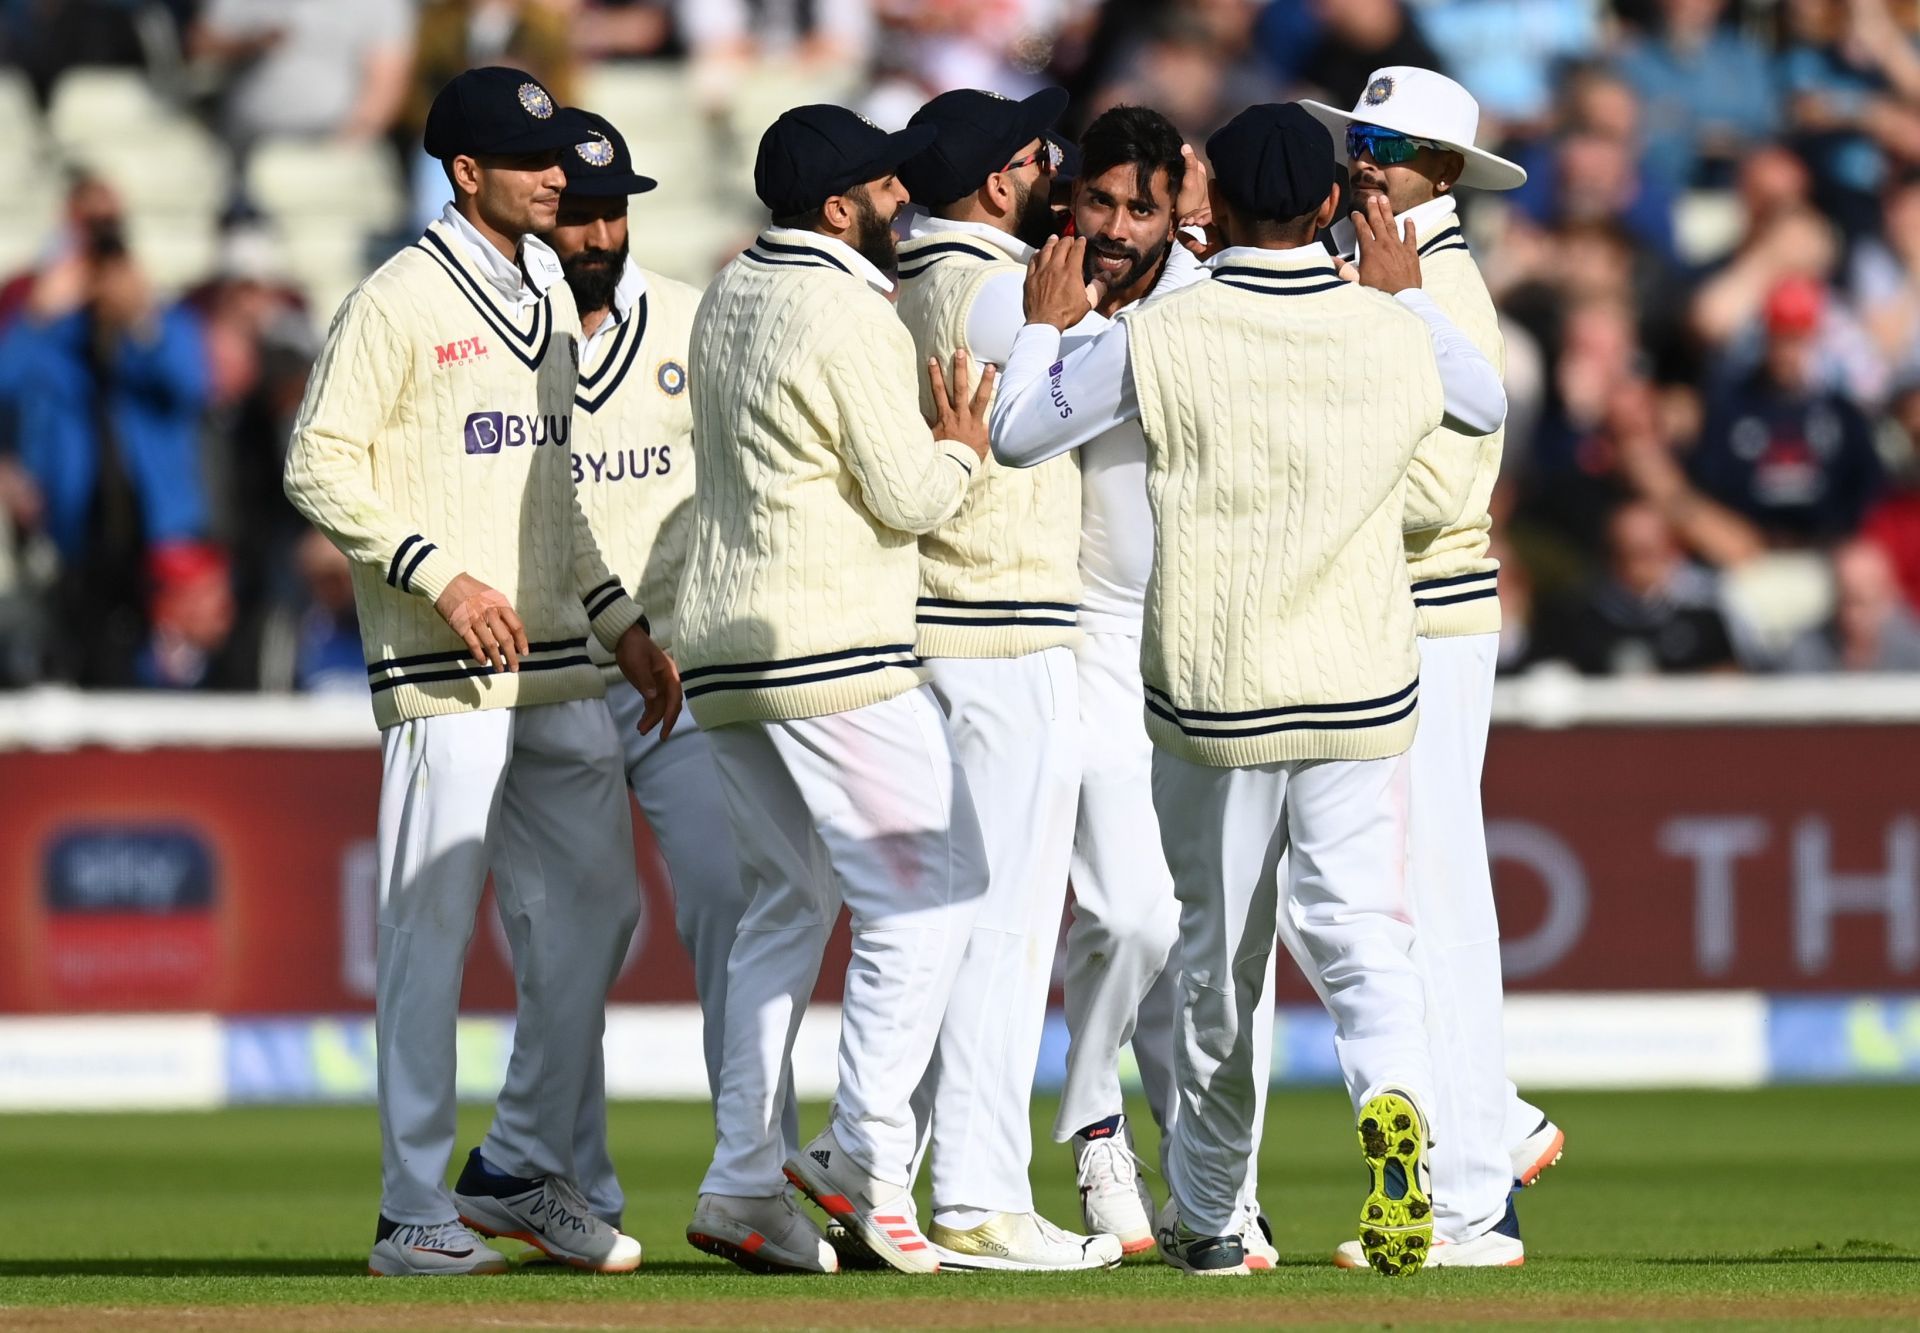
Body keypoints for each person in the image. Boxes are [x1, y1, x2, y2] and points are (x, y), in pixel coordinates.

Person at [993, 102, 1508, 1276]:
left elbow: (1020, 433)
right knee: (1368, 939)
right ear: (1331, 206)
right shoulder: (1385, 329)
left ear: (1209, 200)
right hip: (1363, 685)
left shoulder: (1166, 331)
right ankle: (1402, 1130)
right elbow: (1487, 403)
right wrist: (1408, 298)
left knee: (1221, 960)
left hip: (1218, 693)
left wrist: (1044, 329)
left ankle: (1215, 1210)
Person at [282, 67, 681, 1278]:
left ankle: (515, 1161)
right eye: (530, 156)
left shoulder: (551, 295)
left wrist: (617, 619)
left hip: (563, 664)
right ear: (466, 173)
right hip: (442, 663)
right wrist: (440, 576)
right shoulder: (397, 300)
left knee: (602, 917)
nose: (559, 172)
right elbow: (316, 462)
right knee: (428, 929)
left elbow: (553, 491)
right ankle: (412, 1210)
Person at [958, 104, 1280, 1267]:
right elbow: (1011, 430)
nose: (1113, 227)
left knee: (1209, 931)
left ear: (1177, 210)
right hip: (1089, 636)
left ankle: (1207, 1168)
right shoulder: (1024, 299)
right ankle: (1096, 1120)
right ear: (1067, 196)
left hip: (1205, 638)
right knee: (1132, 913)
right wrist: (1054, 329)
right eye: (1098, 200)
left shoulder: (1201, 302)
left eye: (1141, 207)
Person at [676, 103, 995, 1276]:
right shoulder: (851, 307)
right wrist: (963, 440)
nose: (902, 203)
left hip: (723, 647)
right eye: (884, 190)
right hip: (826, 646)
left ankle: (741, 1180)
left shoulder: (728, 290)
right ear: (839, 207)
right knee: (930, 892)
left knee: (786, 906)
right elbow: (910, 496)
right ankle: (863, 1158)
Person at [540, 107, 800, 1258]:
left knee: (735, 910)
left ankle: (762, 1176)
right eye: (577, 211)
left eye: (613, 210)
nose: (599, 231)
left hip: (681, 675)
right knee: (568, 938)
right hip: (551, 678)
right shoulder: (501, 335)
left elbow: (741, 492)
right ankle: (577, 1193)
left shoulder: (696, 327)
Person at [1304, 63, 1552, 1268]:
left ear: (1441, 174)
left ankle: (1472, 1199)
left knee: (1432, 906)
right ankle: (1492, 1127)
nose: (1364, 161)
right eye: (1360, 138)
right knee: (1368, 901)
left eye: (1389, 149)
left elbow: (1444, 490)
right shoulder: (1382, 264)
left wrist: (1297, 497)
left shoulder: (1440, 282)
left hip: (1432, 621)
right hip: (1386, 620)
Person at [890, 86, 1122, 1274]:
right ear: (996, 180)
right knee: (1006, 928)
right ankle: (978, 1195)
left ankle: (873, 1164)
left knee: (956, 923)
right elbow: (1081, 374)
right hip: (998, 637)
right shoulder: (987, 285)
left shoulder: (931, 269)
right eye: (1041, 157)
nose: (1058, 171)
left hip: (958, 635)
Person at [0, 191, 213, 688]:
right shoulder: (50, 338)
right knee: (90, 677)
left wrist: (140, 317)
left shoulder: (159, 325)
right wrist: (40, 312)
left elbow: (193, 382)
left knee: (172, 682)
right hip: (77, 541)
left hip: (164, 542)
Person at [1539, 498, 1740, 675]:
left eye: (1649, 552)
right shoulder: (1577, 620)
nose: (1638, 567)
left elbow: (1730, 679)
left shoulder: (1706, 613)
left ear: (1674, 551)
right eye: (1626, 553)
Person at [1782, 539, 1920, 670]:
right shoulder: (1807, 649)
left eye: (1863, 602)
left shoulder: (1913, 649)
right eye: (1845, 600)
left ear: (1890, 595)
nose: (1853, 614)